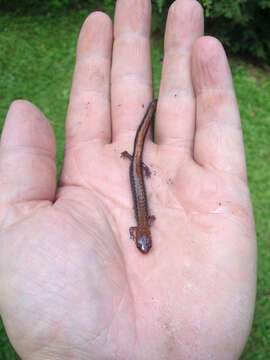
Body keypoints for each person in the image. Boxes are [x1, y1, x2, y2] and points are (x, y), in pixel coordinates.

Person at [0, 0, 257, 359]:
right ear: (144, 235)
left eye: (142, 241)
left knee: (137, 156)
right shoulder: (142, 224)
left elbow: (143, 215)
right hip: (135, 167)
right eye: (143, 241)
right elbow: (144, 216)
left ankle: (149, 113)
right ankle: (147, 114)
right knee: (136, 156)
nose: (142, 242)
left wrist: (139, 176)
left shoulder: (141, 225)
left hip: (136, 168)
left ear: (142, 235)